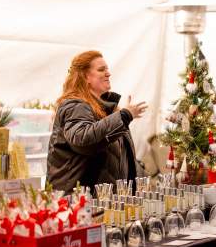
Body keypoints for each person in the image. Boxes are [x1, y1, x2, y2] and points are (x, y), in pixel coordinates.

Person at [47, 50, 148, 193]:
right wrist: (124, 116)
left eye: (107, 69)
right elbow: (83, 139)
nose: (108, 73)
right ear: (85, 77)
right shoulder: (76, 106)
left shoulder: (107, 110)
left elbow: (122, 159)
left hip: (100, 201)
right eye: (101, 70)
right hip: (77, 203)